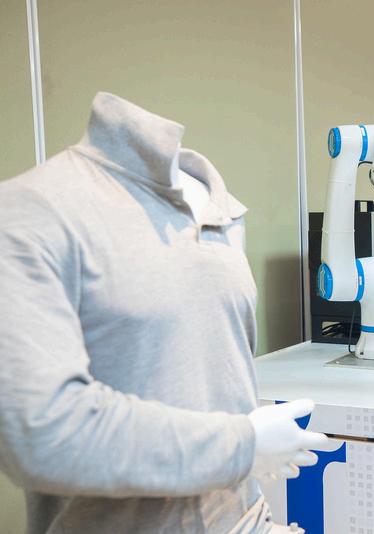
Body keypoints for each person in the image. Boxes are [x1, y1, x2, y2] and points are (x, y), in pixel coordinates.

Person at [0, 92, 333, 533]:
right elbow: (43, 433)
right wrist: (244, 446)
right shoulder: (29, 211)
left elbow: (216, 393)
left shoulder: (220, 209)